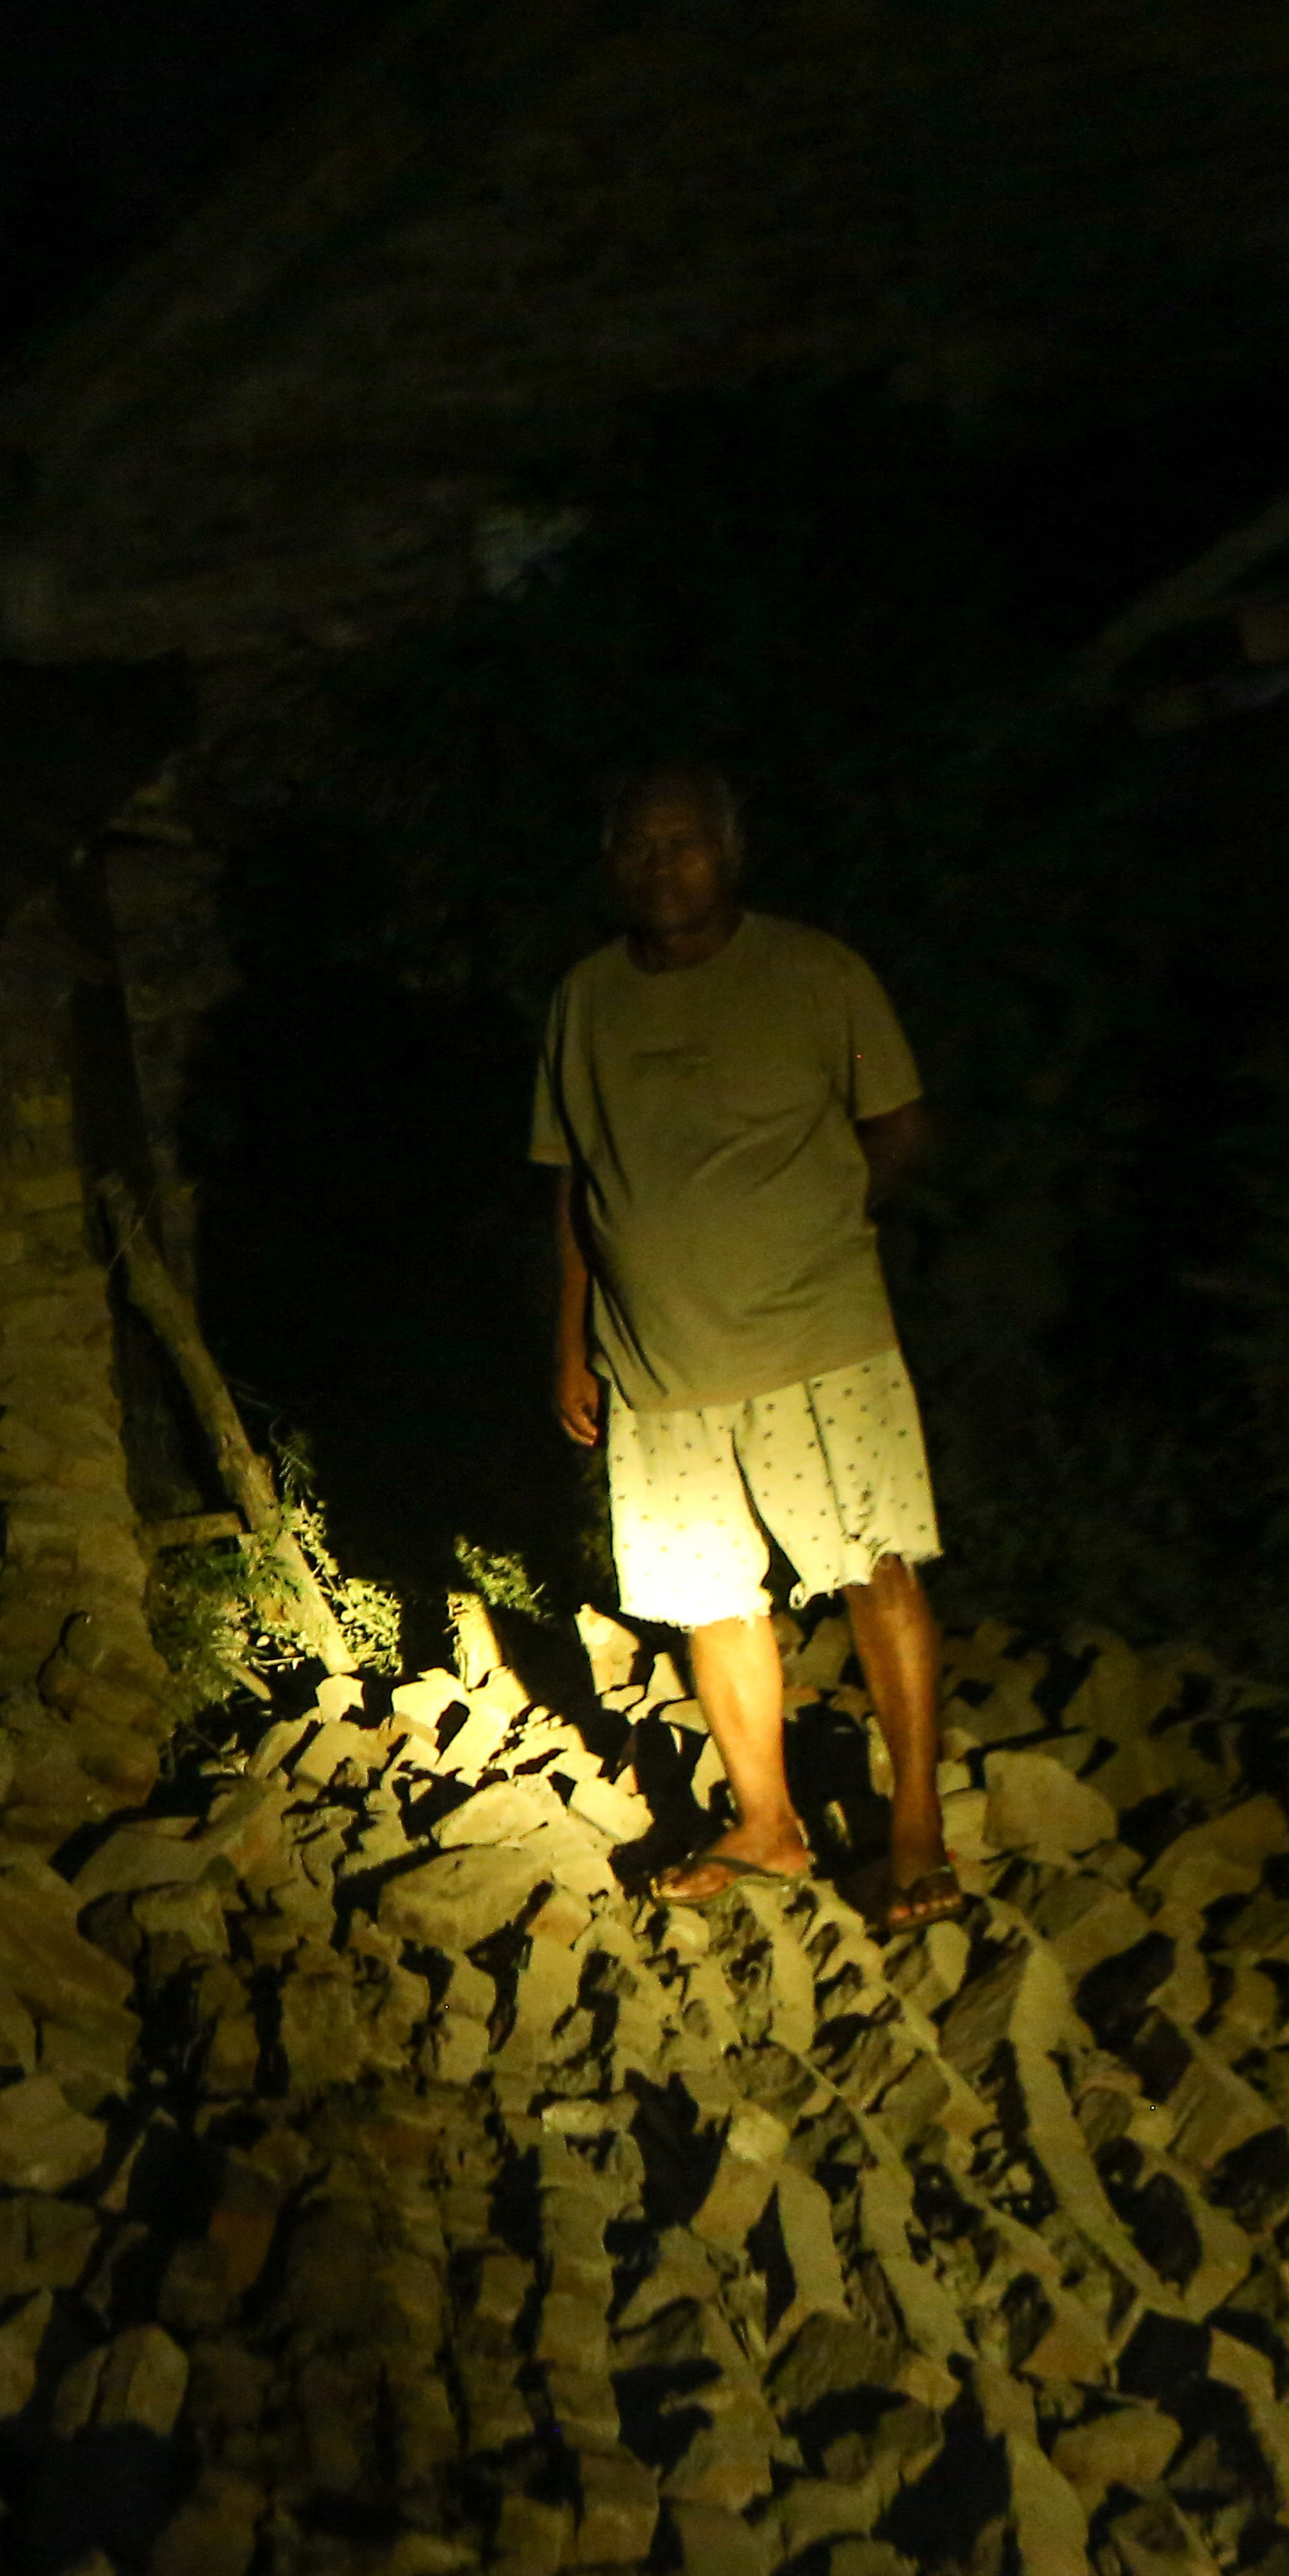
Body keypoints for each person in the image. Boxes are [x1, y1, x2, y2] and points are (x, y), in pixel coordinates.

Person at [529, 760, 964, 1924]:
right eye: (640, 844)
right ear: (610, 860)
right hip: (659, 1359)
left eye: (687, 842)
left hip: (821, 1339)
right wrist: (570, 1343)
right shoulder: (585, 1001)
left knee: (879, 1566)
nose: (664, 865)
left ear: (732, 851)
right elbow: (574, 1184)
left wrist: (810, 1224)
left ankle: (915, 1826)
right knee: (710, 1597)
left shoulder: (818, 973)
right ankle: (768, 1822)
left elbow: (903, 1130)